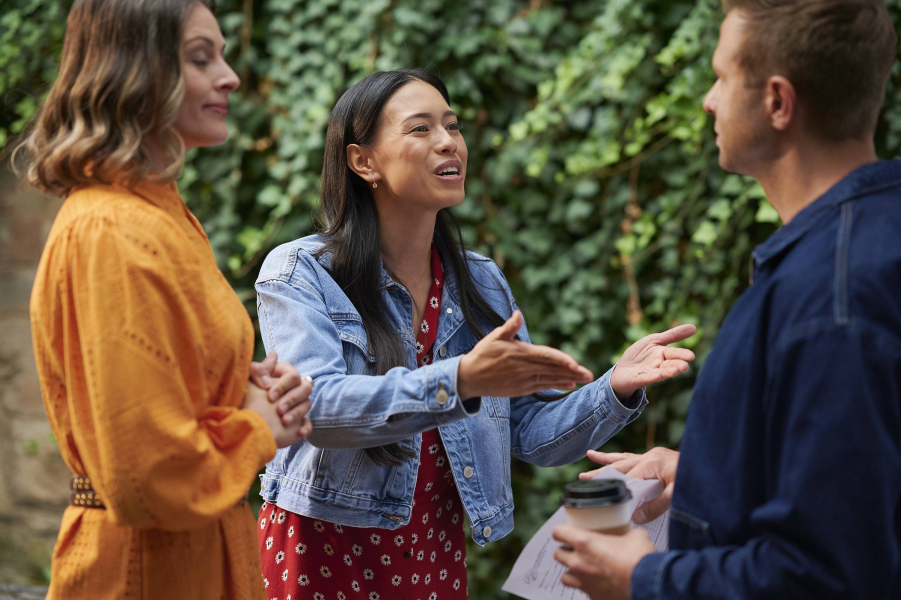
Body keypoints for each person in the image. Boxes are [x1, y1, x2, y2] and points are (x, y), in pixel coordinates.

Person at [253, 67, 698, 599]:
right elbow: (317, 411)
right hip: (323, 550)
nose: (448, 142)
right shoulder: (302, 272)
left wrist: (614, 387)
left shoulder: (479, 280)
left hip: (433, 554)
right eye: (421, 128)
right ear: (362, 161)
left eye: (453, 125)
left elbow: (530, 431)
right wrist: (459, 381)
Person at [552, 0, 901, 598]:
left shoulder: (830, 298)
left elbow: (825, 575)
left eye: (720, 77)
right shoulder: (870, 237)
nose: (709, 101)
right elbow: (865, 480)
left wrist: (642, 578)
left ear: (777, 102)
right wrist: (704, 478)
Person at [16, 1, 314, 598]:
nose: (230, 77)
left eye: (221, 56)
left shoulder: (156, 212)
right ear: (134, 70)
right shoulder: (111, 229)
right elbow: (146, 475)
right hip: (145, 570)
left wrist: (242, 387)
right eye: (201, 59)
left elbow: (169, 386)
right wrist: (256, 427)